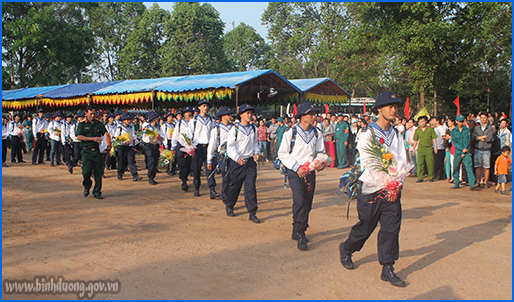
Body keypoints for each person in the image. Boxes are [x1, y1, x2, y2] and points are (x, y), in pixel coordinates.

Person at [339, 91, 408, 287]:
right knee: (366, 226)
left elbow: (402, 159)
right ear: (379, 109)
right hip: (372, 188)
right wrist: (386, 182)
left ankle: (388, 267)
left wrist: (397, 182)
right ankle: (347, 248)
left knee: (391, 228)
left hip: (392, 190)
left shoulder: (396, 133)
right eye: (389, 106)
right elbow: (368, 162)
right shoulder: (367, 133)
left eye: (396, 107)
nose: (394, 110)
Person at [278, 102, 325, 250]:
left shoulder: (317, 133)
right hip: (295, 171)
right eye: (310, 114)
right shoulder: (291, 133)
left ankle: (296, 227)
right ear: (302, 116)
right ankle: (300, 232)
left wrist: (319, 162)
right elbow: (282, 153)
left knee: (307, 202)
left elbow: (321, 152)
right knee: (299, 201)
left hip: (309, 172)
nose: (313, 117)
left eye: (315, 114)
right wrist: (297, 167)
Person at [225, 104, 260, 223]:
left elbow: (255, 143)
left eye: (251, 113)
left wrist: (256, 152)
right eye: (247, 113)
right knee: (235, 186)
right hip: (237, 162)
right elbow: (230, 148)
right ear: (241, 115)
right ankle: (229, 205)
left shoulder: (253, 129)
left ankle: (252, 212)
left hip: (250, 163)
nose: (250, 115)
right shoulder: (234, 129)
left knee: (250, 187)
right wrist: (237, 158)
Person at [75, 105, 109, 199]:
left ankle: (97, 191)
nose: (93, 116)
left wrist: (107, 143)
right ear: (86, 113)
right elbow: (79, 136)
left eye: (94, 114)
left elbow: (105, 134)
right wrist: (93, 139)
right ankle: (87, 186)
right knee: (86, 172)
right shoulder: (82, 124)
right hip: (87, 151)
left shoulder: (99, 124)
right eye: (91, 114)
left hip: (98, 151)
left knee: (98, 173)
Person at [188, 99, 217, 197]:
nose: (205, 108)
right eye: (203, 106)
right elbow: (189, 134)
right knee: (196, 169)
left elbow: (213, 132)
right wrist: (190, 146)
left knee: (210, 168)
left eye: (207, 106)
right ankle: (196, 187)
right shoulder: (194, 120)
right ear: (199, 107)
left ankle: (212, 188)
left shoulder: (211, 119)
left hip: (208, 146)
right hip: (197, 147)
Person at [207, 107, 234, 204]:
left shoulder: (234, 128)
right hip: (223, 157)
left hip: (234, 156)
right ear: (223, 116)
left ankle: (228, 193)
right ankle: (225, 195)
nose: (230, 117)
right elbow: (212, 145)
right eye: (228, 115)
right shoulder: (216, 130)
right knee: (226, 176)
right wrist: (209, 160)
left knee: (233, 177)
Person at [450, 115, 478, 190]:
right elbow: (454, 142)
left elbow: (468, 141)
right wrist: (462, 149)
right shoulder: (453, 131)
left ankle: (472, 184)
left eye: (462, 121)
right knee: (455, 167)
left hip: (466, 151)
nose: (461, 123)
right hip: (458, 151)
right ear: (456, 122)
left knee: (469, 167)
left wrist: (464, 150)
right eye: (459, 121)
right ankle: (456, 183)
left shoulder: (467, 130)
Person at [115, 112, 143, 182]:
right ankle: (120, 173)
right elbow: (116, 139)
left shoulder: (131, 127)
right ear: (123, 120)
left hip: (130, 147)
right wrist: (124, 142)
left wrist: (136, 142)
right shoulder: (119, 128)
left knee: (131, 160)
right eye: (127, 120)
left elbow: (133, 136)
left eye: (129, 119)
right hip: (122, 147)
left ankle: (135, 174)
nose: (129, 121)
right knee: (121, 161)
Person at [172, 107, 194, 191]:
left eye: (189, 112)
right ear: (184, 114)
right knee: (182, 164)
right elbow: (175, 135)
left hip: (191, 146)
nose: (188, 114)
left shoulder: (193, 123)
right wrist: (173, 147)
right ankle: (184, 181)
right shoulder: (180, 123)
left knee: (189, 165)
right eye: (186, 112)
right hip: (181, 146)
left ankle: (186, 176)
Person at [472, 112, 494, 188]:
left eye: (484, 118)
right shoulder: (476, 128)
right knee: (477, 166)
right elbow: (474, 138)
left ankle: (485, 182)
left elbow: (489, 139)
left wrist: (479, 138)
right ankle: (478, 182)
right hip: (478, 149)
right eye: (481, 118)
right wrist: (482, 137)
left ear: (487, 118)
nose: (483, 119)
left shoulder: (490, 128)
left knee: (486, 167)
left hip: (486, 149)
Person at [412, 116, 437, 182]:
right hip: (420, 148)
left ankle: (431, 177)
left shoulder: (430, 129)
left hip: (429, 148)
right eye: (420, 122)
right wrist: (414, 148)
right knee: (420, 163)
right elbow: (415, 140)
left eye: (423, 121)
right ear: (418, 123)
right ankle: (420, 177)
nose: (422, 123)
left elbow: (434, 138)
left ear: (426, 121)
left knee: (430, 163)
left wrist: (435, 147)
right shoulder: (417, 131)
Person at [144, 111, 165, 185]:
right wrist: (151, 137)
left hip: (156, 146)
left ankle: (153, 176)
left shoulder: (158, 127)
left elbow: (163, 136)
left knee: (155, 161)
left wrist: (160, 138)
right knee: (151, 161)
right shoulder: (147, 127)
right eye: (156, 118)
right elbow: (144, 138)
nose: (158, 119)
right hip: (149, 146)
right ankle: (150, 177)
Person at [433, 116, 447, 180]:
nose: (432, 122)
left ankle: (440, 175)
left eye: (433, 120)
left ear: (437, 121)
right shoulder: (435, 128)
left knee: (440, 162)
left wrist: (442, 145)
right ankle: (436, 174)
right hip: (435, 147)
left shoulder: (441, 128)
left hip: (440, 148)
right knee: (436, 162)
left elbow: (443, 137)